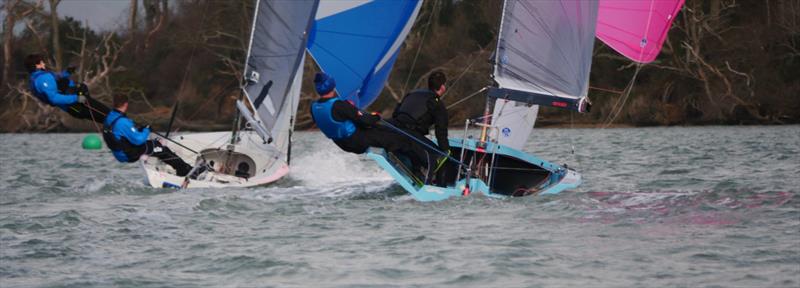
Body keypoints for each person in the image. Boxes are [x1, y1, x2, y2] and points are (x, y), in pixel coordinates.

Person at [309, 72, 430, 181]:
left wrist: (351, 111)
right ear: (332, 85)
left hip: (342, 143)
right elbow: (366, 121)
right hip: (357, 140)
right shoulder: (339, 105)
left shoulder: (313, 107)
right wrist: (376, 116)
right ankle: (420, 170)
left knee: (388, 132)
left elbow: (336, 119)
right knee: (402, 139)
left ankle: (404, 161)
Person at [102, 93, 197, 178]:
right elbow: (139, 140)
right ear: (126, 104)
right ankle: (185, 170)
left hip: (119, 153)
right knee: (160, 148)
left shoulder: (110, 117)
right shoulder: (123, 122)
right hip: (128, 154)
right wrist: (147, 130)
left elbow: (121, 134)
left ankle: (179, 167)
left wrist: (139, 129)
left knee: (154, 144)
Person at [389, 71, 451, 185]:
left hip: (393, 131)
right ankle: (440, 186)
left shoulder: (411, 94)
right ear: (442, 87)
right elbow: (441, 131)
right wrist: (445, 150)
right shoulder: (437, 103)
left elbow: (396, 114)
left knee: (418, 144)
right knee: (440, 156)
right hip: (409, 134)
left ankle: (416, 174)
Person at [25, 54, 110, 124]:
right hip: (76, 105)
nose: (44, 64)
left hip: (74, 107)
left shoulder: (37, 77)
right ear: (37, 65)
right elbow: (54, 98)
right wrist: (77, 98)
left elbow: (57, 79)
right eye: (42, 62)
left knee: (108, 119)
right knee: (110, 116)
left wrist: (67, 72)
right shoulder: (43, 78)